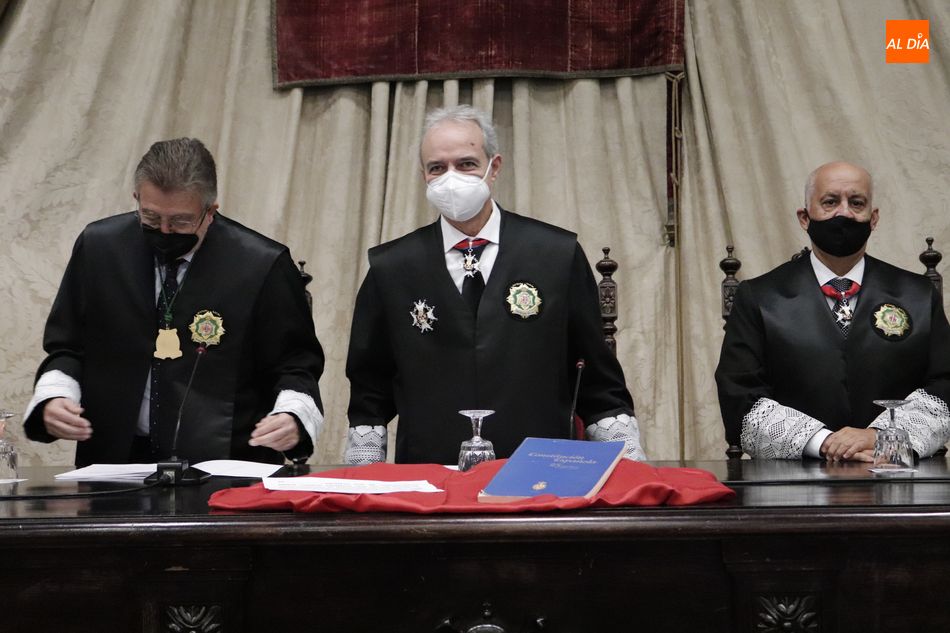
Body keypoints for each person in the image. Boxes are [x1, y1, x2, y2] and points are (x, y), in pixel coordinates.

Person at [344, 105, 645, 465]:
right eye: (437, 167)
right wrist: (365, 481)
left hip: (543, 477)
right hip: (430, 482)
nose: (451, 177)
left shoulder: (556, 255)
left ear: (494, 167)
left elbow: (597, 379)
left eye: (466, 163)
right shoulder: (390, 267)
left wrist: (629, 469)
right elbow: (369, 392)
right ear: (424, 175)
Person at [23, 138, 324, 466]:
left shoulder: (262, 264)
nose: (164, 231)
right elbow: (68, 346)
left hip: (227, 462)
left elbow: (295, 364)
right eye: (150, 217)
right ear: (136, 198)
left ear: (211, 211)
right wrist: (55, 395)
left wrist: (293, 415)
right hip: (114, 462)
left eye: (180, 221)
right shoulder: (99, 248)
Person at [716, 161, 950, 461]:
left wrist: (878, 437)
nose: (844, 213)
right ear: (804, 216)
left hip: (901, 475)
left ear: (873, 217)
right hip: (792, 484)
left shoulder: (917, 294)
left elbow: (945, 384)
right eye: (830, 202)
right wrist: (824, 442)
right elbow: (739, 394)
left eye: (856, 203)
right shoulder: (760, 298)